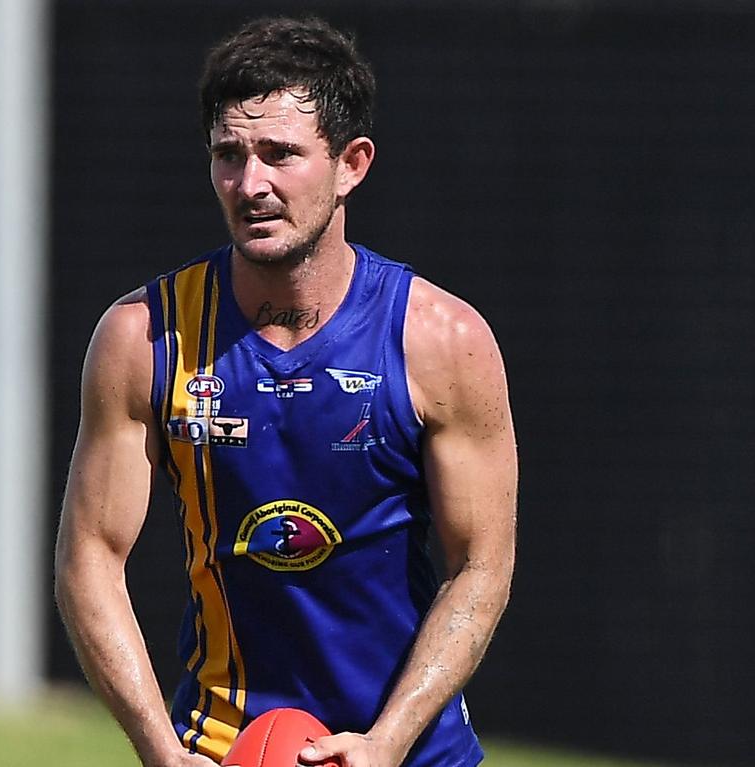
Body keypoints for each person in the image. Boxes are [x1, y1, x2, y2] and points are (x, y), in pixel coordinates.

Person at [55, 15, 517, 767]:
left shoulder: (442, 341)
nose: (250, 184)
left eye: (280, 154)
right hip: (218, 747)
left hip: (409, 751)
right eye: (228, 155)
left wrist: (384, 742)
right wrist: (158, 748)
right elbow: (91, 559)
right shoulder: (143, 337)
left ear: (351, 164)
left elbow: (479, 567)